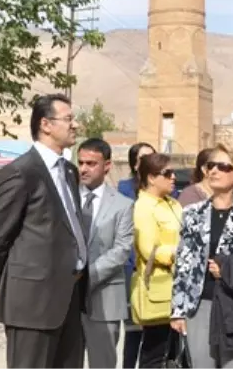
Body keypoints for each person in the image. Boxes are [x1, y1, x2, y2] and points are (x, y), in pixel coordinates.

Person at [0, 94, 88, 369]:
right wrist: (5, 283)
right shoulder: (21, 173)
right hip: (31, 303)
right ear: (46, 125)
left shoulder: (69, 172)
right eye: (68, 119)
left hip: (69, 296)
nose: (75, 125)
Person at [171, 145, 233, 369]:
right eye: (210, 165)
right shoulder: (192, 214)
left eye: (222, 166)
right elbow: (183, 264)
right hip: (200, 306)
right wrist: (178, 311)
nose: (213, 171)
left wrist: (229, 270)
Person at [78, 138, 135, 369]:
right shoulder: (67, 198)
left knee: (102, 364)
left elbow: (121, 250)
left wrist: (84, 277)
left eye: (91, 163)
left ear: (107, 165)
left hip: (104, 299)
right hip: (65, 302)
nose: (83, 168)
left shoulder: (122, 205)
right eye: (80, 162)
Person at [130, 152, 184, 369]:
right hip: (159, 289)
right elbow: (148, 249)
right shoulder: (143, 207)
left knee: (175, 351)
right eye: (167, 173)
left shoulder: (172, 203)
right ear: (151, 178)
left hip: (179, 287)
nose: (173, 178)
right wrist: (180, 254)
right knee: (155, 352)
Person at [118, 141, 155, 369]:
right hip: (132, 271)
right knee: (133, 333)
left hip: (158, 274)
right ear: (134, 164)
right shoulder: (124, 190)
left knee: (156, 335)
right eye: (143, 158)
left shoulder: (164, 191)